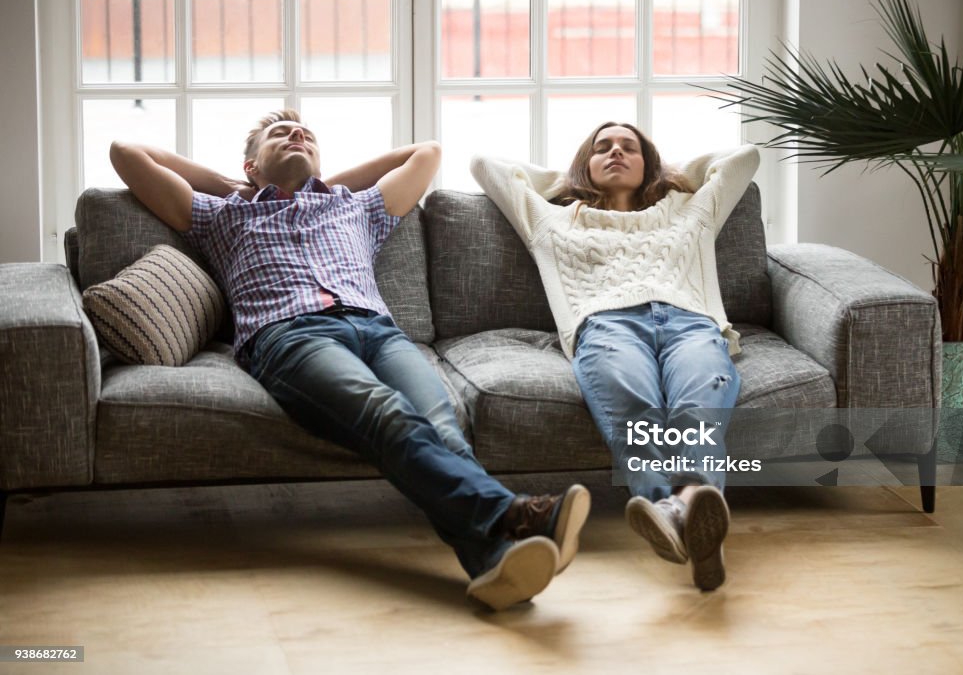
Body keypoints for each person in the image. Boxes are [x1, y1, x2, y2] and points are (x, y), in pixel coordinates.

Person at [109, 109, 590, 611]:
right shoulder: (221, 214)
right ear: (250, 164)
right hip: (290, 337)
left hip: (380, 333)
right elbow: (126, 152)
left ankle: (491, 559)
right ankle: (523, 513)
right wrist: (239, 183)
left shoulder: (357, 208)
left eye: (307, 136)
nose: (297, 136)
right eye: (281, 136)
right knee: (385, 413)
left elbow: (426, 152)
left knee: (444, 426)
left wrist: (317, 180)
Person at [471, 122, 758, 591]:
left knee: (697, 406)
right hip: (607, 325)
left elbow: (745, 157)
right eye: (602, 148)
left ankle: (678, 510)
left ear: (650, 162)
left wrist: (667, 176)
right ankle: (695, 512)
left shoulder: (690, 210)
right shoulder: (550, 218)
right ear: (585, 163)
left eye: (629, 147)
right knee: (635, 409)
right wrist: (568, 181)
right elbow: (485, 166)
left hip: (692, 324)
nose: (616, 152)